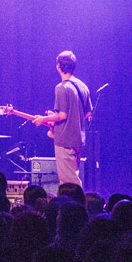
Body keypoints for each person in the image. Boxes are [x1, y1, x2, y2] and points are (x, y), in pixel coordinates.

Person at [32, 51, 92, 188]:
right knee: (73, 175)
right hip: (78, 140)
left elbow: (62, 115)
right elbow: (87, 113)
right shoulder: (82, 86)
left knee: (69, 182)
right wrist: (73, 119)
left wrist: (43, 119)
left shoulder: (62, 87)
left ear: (58, 66)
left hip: (65, 140)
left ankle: (77, 207)